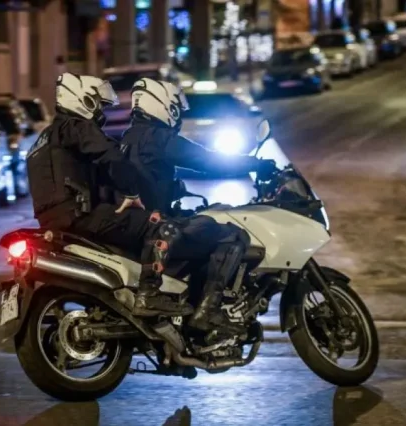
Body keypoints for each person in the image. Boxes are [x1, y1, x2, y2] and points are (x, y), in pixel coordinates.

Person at [26, 72, 193, 317]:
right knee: (158, 226)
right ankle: (149, 294)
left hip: (52, 220)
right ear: (83, 100)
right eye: (98, 105)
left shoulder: (45, 137)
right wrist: (131, 191)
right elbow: (112, 157)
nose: (100, 113)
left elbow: (88, 173)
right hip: (81, 216)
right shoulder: (76, 127)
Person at [118, 78, 276, 334]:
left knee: (201, 225)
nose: (177, 116)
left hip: (144, 223)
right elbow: (206, 160)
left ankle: (190, 302)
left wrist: (175, 189)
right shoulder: (158, 137)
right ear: (160, 105)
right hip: (156, 227)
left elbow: (146, 177)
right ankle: (207, 311)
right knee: (233, 236)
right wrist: (255, 164)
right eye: (174, 108)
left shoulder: (130, 136)